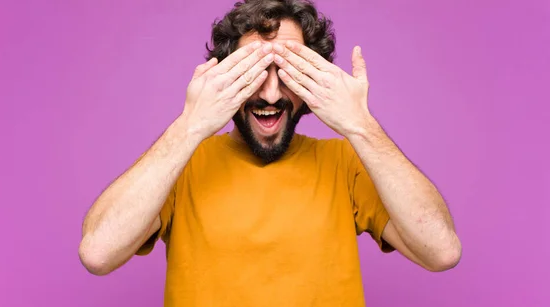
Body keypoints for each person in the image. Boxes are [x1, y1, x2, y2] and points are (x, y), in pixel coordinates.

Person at [78, 0, 462, 305]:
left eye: (288, 70)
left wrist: (361, 125)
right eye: (255, 71)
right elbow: (98, 253)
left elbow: (441, 251)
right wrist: (190, 125)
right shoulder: (183, 166)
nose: (271, 94)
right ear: (225, 75)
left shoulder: (345, 165)